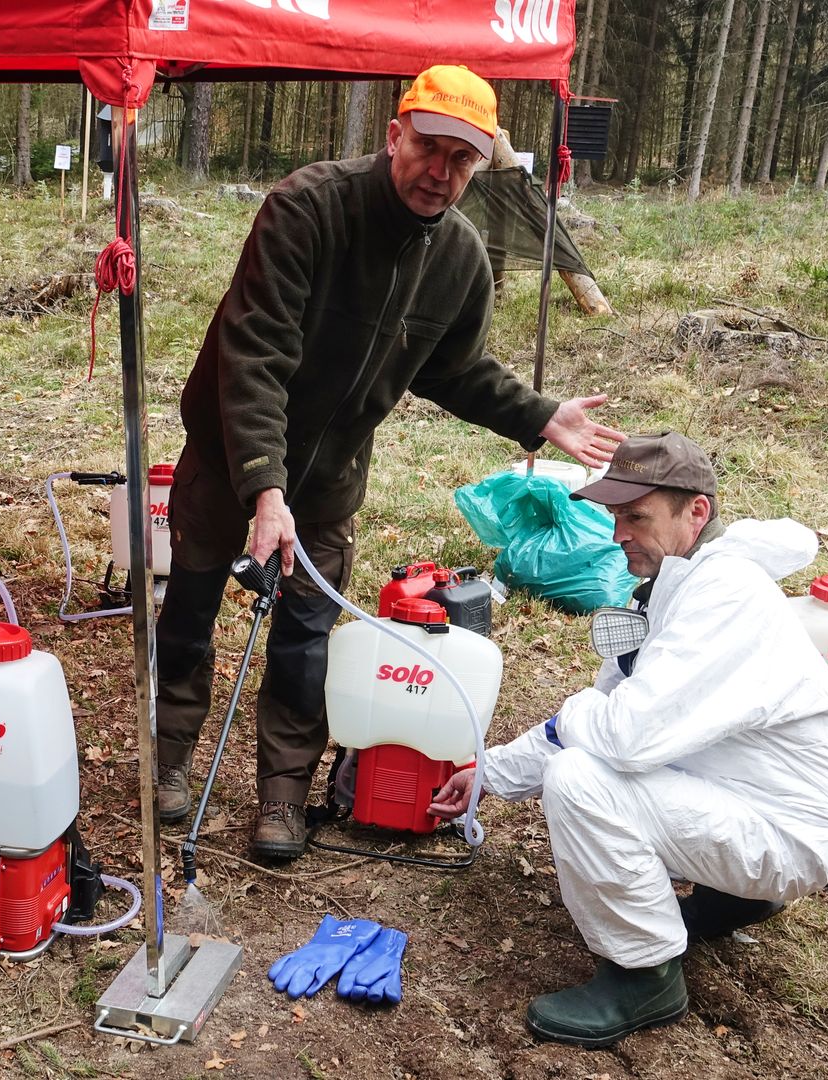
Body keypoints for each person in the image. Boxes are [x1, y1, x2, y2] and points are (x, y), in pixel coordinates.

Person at [153, 64, 626, 861]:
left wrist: (542, 416)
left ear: (478, 169)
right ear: (394, 136)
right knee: (192, 608)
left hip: (333, 475)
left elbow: (457, 371)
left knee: (306, 638)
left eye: (462, 161)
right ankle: (167, 760)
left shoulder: (462, 260)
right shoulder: (308, 208)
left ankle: (283, 796)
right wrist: (264, 486)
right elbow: (255, 353)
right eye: (429, 149)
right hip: (233, 451)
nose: (440, 173)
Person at [428, 432, 828, 1048]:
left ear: (697, 511)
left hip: (787, 831)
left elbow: (622, 735)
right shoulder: (671, 584)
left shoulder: (724, 594)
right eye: (613, 515)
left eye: (636, 516)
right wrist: (490, 773)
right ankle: (732, 902)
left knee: (579, 779)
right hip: (750, 800)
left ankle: (644, 974)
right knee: (590, 750)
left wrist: (573, 722)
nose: (616, 533)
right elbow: (611, 705)